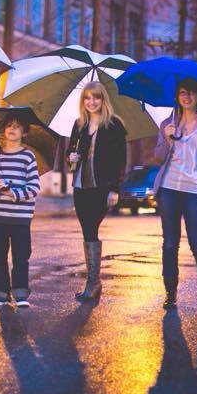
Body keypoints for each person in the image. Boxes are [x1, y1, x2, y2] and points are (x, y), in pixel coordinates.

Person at [153, 77, 197, 312]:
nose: (187, 96)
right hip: (169, 189)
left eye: (192, 92)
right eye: (183, 92)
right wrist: (166, 138)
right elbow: (157, 156)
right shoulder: (167, 123)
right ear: (177, 96)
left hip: (196, 191)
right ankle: (170, 294)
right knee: (169, 244)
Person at [66, 82, 127, 302]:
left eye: (96, 98)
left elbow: (121, 160)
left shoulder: (114, 125)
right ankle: (94, 282)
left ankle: (93, 282)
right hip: (81, 185)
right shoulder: (79, 125)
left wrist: (114, 189)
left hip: (101, 187)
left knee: (92, 228)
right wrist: (70, 158)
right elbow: (71, 152)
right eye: (87, 98)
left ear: (103, 100)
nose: (91, 102)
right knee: (87, 231)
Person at [0, 115, 40, 307]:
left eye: (17, 126)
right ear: (3, 130)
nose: (12, 129)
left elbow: (33, 188)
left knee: (21, 256)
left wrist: (13, 193)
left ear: (24, 132)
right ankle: (0, 292)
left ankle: (21, 292)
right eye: (8, 126)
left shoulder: (27, 156)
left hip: (21, 218)